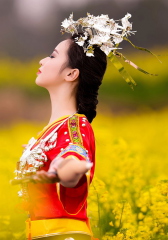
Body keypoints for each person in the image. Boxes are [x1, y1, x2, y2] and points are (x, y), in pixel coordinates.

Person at [14, 32, 107, 240]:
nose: (42, 60)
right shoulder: (52, 130)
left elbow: (75, 156)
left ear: (71, 74)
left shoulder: (75, 124)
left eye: (53, 56)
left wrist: (69, 170)